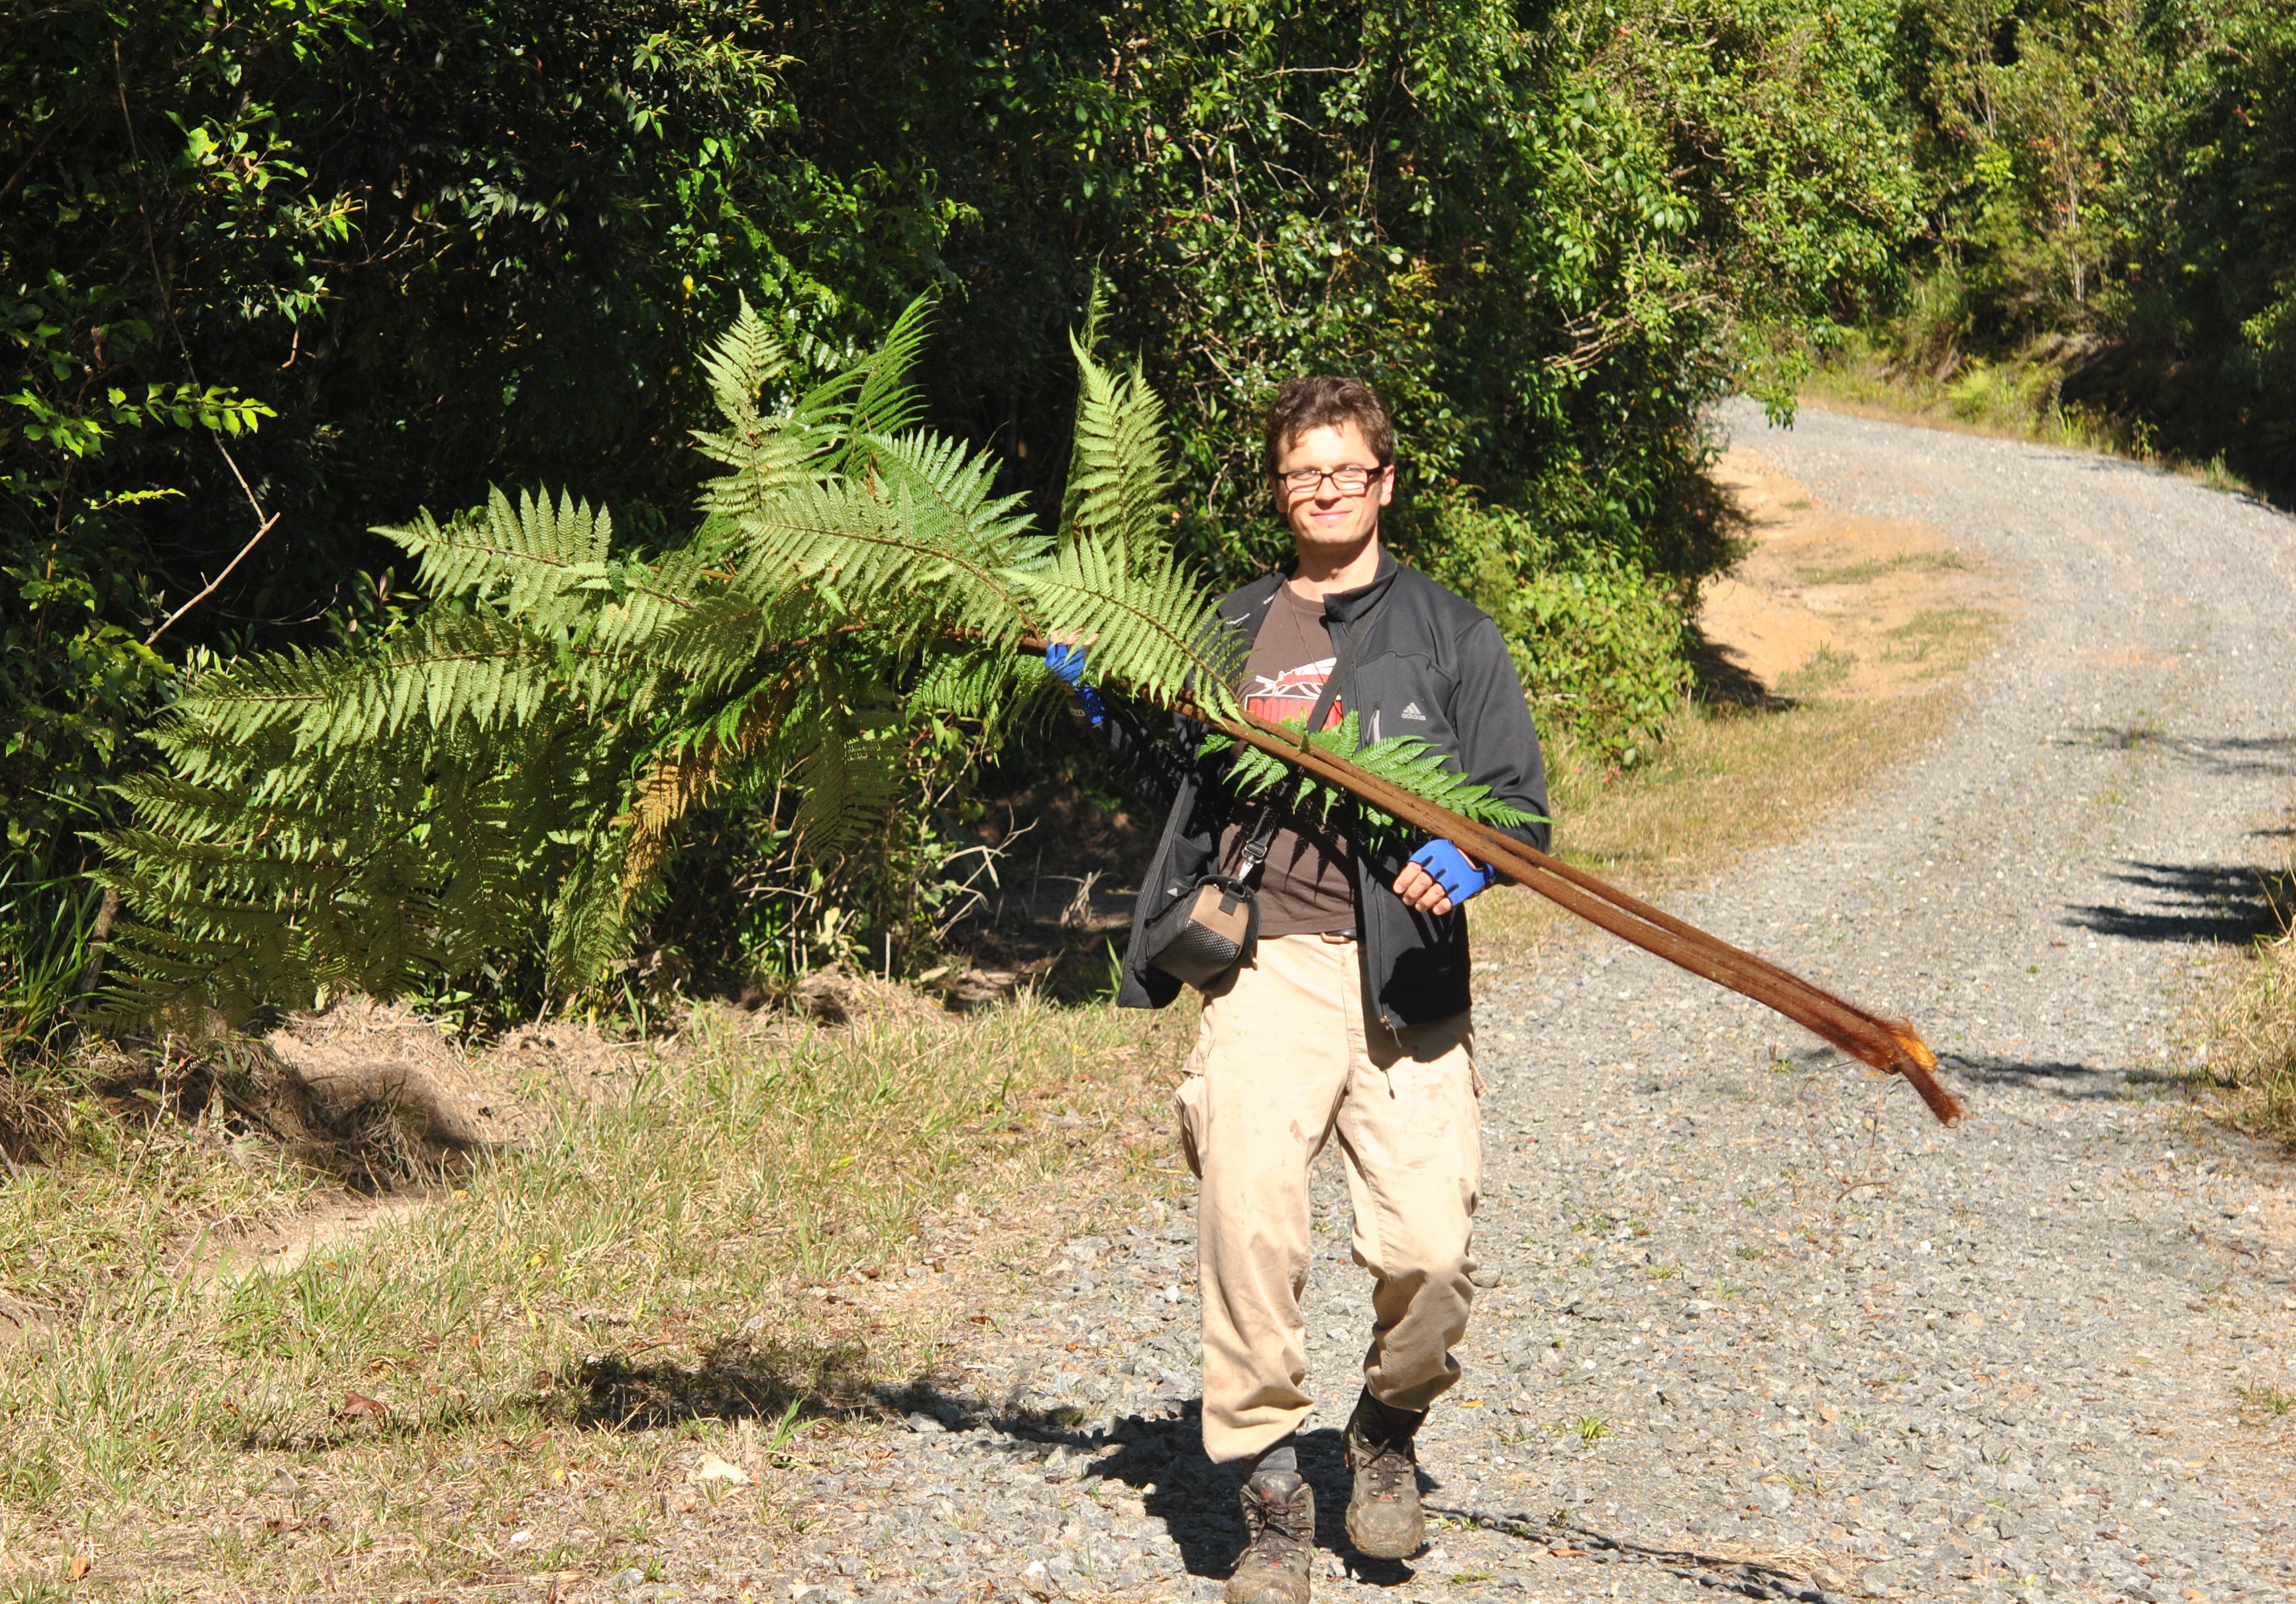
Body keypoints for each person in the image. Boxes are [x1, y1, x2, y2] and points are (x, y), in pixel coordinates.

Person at [1045, 376, 1550, 1604]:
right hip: (1265, 968)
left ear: (1383, 481)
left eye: (1344, 470)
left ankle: (1383, 1434)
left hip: (1404, 981)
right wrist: (1094, 700)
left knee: (1430, 1252)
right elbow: (1168, 768)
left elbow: (1520, 807)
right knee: (1248, 1223)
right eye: (1299, 474)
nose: (1322, 491)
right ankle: (1270, 1484)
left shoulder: (1450, 634)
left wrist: (1470, 855)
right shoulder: (1228, 628)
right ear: (1281, 490)